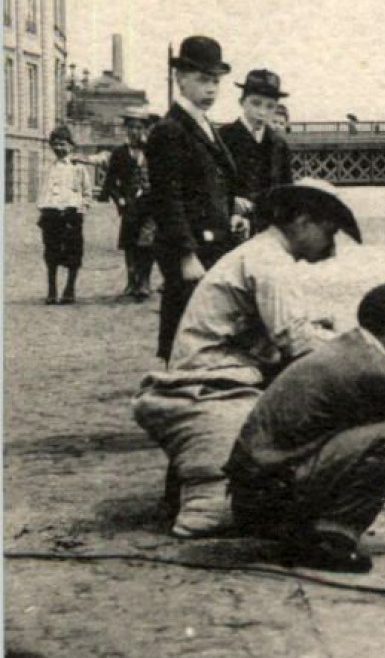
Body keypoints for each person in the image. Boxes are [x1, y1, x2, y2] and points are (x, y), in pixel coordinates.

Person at [133, 179, 361, 538]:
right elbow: (296, 341)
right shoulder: (271, 262)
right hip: (217, 378)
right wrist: (360, 353)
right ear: (302, 220)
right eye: (329, 234)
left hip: (212, 368)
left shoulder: (259, 252)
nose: (331, 250)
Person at [226, 282, 385, 572]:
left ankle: (308, 530)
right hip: (267, 498)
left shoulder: (346, 346)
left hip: (252, 491)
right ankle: (330, 540)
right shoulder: (379, 372)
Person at [147, 35, 243, 360]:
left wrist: (232, 212)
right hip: (188, 248)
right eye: (203, 80)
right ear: (180, 79)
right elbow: (167, 198)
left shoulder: (204, 125)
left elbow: (217, 183)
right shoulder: (170, 129)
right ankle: (168, 381)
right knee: (181, 316)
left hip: (214, 243)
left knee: (203, 322)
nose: (211, 89)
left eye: (216, 81)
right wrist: (186, 254)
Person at [220, 69, 294, 237]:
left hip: (268, 231)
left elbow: (287, 191)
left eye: (270, 106)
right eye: (256, 103)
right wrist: (230, 201)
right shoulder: (223, 138)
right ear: (242, 102)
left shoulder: (279, 145)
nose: (262, 112)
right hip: (231, 230)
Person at [100, 108, 160, 299]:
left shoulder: (153, 150)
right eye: (131, 127)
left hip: (151, 205)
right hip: (130, 206)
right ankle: (131, 281)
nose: (135, 131)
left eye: (139, 127)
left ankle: (145, 282)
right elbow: (110, 182)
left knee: (147, 243)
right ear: (126, 129)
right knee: (130, 244)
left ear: (145, 129)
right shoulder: (119, 153)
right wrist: (120, 200)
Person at [36, 126, 95, 305]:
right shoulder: (48, 168)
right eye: (55, 145)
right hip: (51, 214)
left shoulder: (78, 168)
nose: (59, 148)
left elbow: (87, 192)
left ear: (70, 145)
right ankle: (52, 290)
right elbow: (43, 190)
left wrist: (81, 209)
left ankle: (69, 289)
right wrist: (43, 210)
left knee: (73, 252)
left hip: (71, 214)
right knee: (51, 253)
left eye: (62, 144)